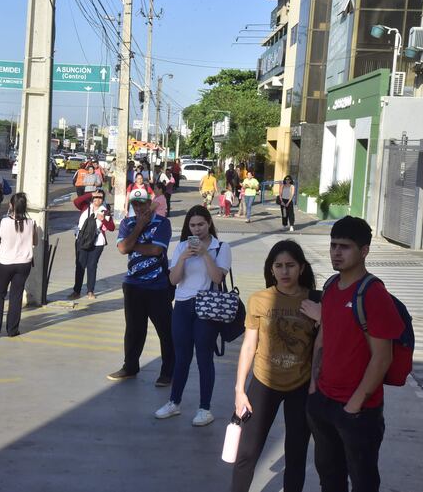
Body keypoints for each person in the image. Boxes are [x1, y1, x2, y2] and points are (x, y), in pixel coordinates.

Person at [305, 216, 404, 492]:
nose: (336, 252)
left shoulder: (373, 294)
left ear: (364, 251)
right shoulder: (330, 287)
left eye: (345, 247)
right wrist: (314, 383)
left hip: (358, 412)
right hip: (323, 401)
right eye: (333, 245)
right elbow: (323, 337)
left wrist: (354, 405)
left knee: (363, 483)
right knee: (330, 479)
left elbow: (382, 357)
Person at [231, 240, 318, 492]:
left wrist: (322, 318)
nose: (284, 271)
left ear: (301, 268)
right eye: (278, 266)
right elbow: (249, 346)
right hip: (263, 382)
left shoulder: (314, 300)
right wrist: (240, 390)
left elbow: (326, 344)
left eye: (290, 265)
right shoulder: (259, 300)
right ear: (271, 269)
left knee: (296, 455)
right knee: (246, 452)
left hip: (300, 386)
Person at [154, 205, 232, 427]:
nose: (197, 230)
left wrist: (205, 254)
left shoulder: (221, 248)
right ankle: (174, 402)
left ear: (209, 224)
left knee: (204, 357)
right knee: (181, 356)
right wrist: (183, 258)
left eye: (201, 224)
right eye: (192, 225)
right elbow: (173, 280)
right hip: (182, 305)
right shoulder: (180, 247)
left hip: (206, 307)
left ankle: (205, 409)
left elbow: (218, 278)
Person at [107, 192, 174, 386]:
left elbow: (156, 250)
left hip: (158, 285)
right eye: (135, 204)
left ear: (150, 203)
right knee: (134, 329)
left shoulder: (163, 223)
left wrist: (131, 245)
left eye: (143, 204)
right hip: (133, 285)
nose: (139, 208)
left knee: (165, 331)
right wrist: (139, 227)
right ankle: (130, 366)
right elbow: (121, 249)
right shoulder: (128, 223)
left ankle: (168, 371)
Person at [0, 192, 37, 337]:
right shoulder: (31, 223)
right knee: (16, 296)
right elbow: (35, 242)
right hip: (24, 264)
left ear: (11, 205)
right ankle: (13, 329)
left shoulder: (2, 223)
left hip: (5, 263)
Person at [68, 189, 115, 300]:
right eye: (95, 197)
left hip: (97, 242)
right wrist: (91, 194)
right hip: (81, 241)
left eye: (100, 197)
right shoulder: (85, 207)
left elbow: (112, 228)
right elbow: (76, 202)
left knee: (92, 266)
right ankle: (76, 291)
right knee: (80, 266)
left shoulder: (105, 211)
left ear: (103, 199)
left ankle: (90, 291)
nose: (97, 199)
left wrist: (103, 220)